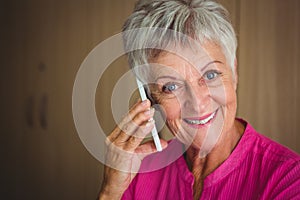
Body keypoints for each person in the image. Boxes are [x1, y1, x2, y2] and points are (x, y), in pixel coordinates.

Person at [98, 0, 300, 199]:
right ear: (151, 97)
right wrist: (110, 192)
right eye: (171, 87)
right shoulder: (138, 172)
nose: (197, 103)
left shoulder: (290, 179)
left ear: (234, 72)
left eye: (211, 75)